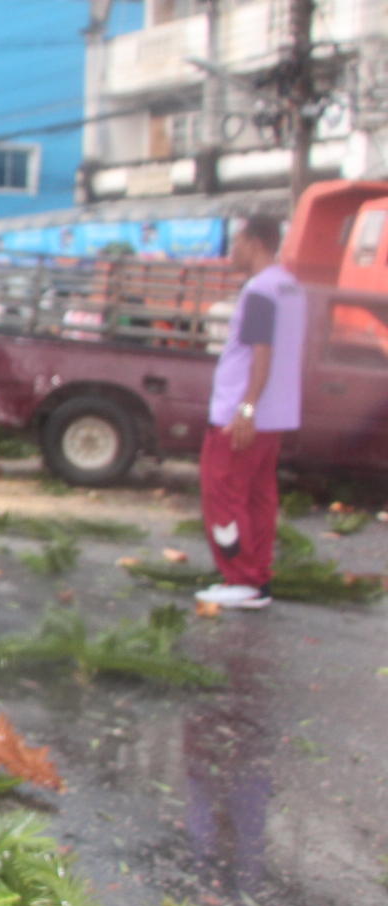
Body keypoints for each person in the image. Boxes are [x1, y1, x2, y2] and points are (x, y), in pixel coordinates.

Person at [195, 215, 304, 611]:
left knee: (222, 496)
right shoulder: (291, 287)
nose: (233, 249)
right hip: (275, 415)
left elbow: (262, 349)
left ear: (255, 241)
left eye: (237, 240)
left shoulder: (260, 289)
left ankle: (239, 578)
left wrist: (245, 407)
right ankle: (258, 576)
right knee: (259, 498)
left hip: (240, 415)